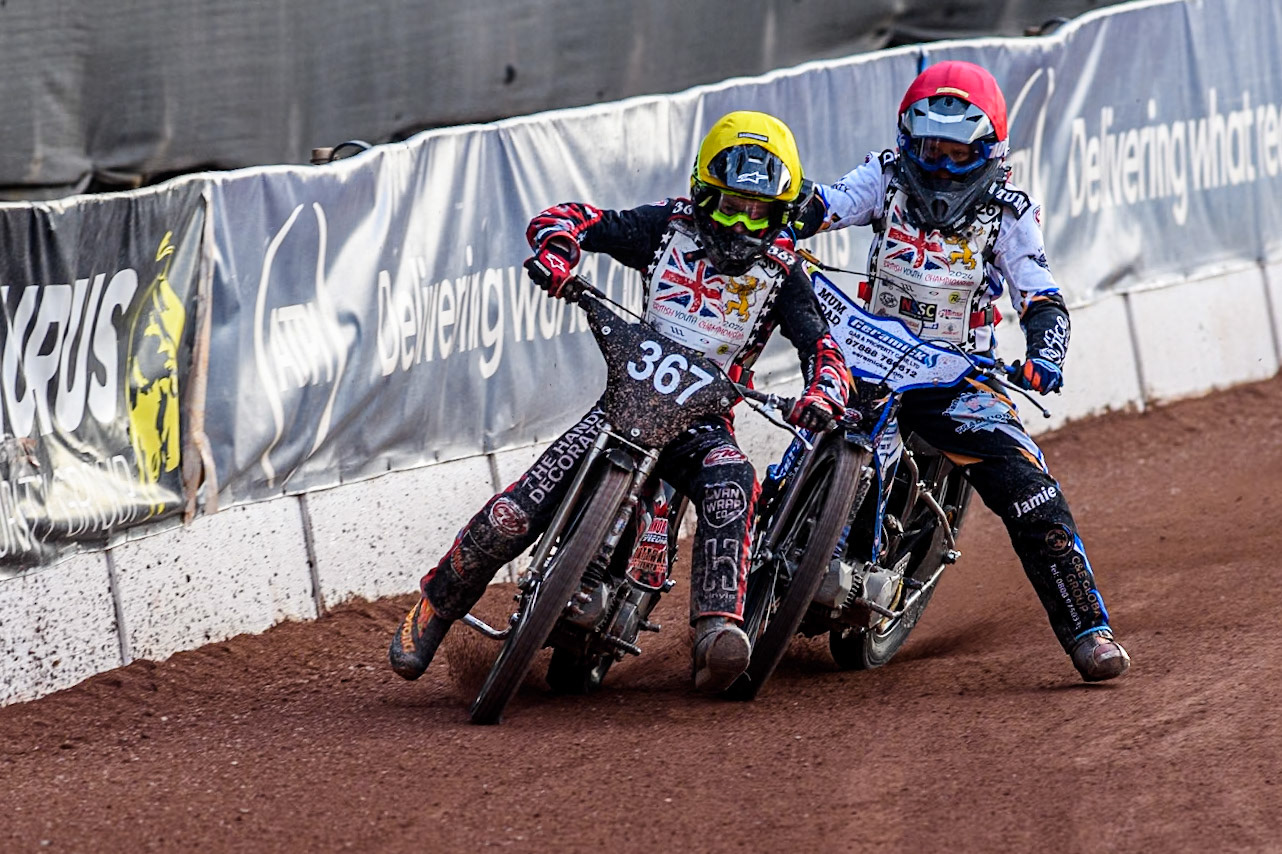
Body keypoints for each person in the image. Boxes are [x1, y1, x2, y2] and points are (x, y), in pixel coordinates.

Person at [389, 111, 851, 693]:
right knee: (517, 511)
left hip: (702, 424)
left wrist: (822, 392)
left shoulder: (783, 274)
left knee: (733, 478)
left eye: (759, 210)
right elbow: (578, 219)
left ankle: (717, 630)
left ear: (783, 213)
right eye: (731, 204)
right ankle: (434, 607)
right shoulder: (666, 228)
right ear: (703, 193)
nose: (742, 222)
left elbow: (823, 346)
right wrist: (559, 251)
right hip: (622, 407)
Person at [793, 60, 1130, 682]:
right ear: (906, 141)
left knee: (1032, 489)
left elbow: (1040, 293)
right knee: (794, 440)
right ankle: (742, 587)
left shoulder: (1010, 210)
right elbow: (828, 204)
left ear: (990, 150)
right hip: (865, 358)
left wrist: (1045, 353)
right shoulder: (885, 176)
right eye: (929, 149)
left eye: (957, 153)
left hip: (958, 378)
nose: (941, 165)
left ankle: (1089, 630)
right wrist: (788, 213)